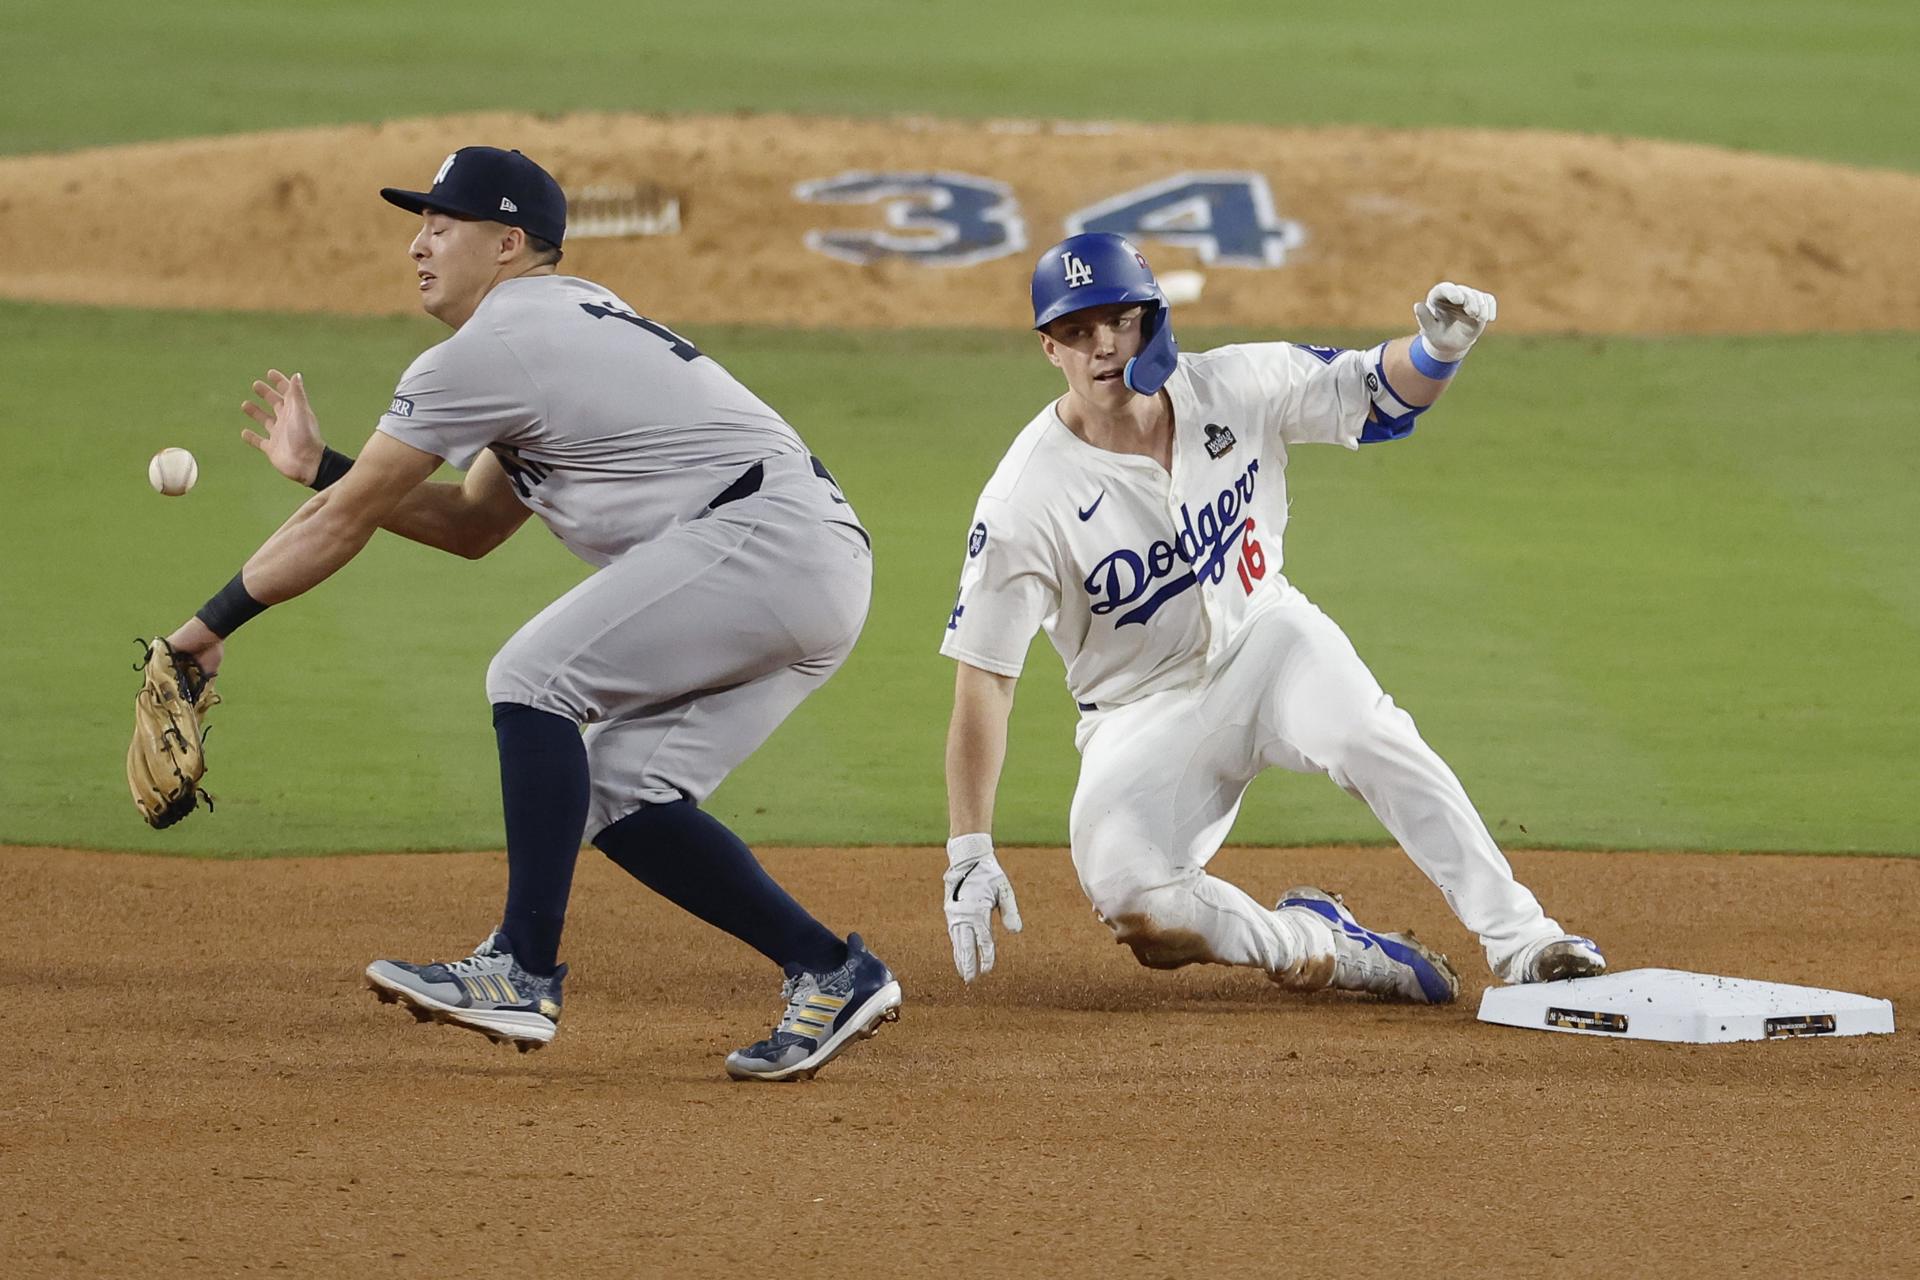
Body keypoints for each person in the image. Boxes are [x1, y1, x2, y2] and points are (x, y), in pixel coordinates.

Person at [161, 146, 900, 1081]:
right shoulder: (561, 326)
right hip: (807, 562)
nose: (419, 245)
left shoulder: (497, 347)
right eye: (419, 224)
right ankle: (832, 969)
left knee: (531, 677)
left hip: (764, 544)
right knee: (621, 788)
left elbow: (346, 524)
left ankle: (522, 968)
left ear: (507, 244)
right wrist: (324, 468)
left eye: (442, 224)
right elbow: (471, 524)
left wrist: (202, 633)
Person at [938, 231, 1606, 1001]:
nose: (1102, 347)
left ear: (1151, 319)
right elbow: (985, 680)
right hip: (1139, 712)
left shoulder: (1236, 384)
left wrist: (1436, 351)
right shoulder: (1026, 500)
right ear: (1048, 349)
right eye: (1077, 332)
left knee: (1368, 734)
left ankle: (1524, 939)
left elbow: (1378, 396)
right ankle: (1319, 944)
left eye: (1118, 322)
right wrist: (969, 848)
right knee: (1134, 902)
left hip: (1270, 641)